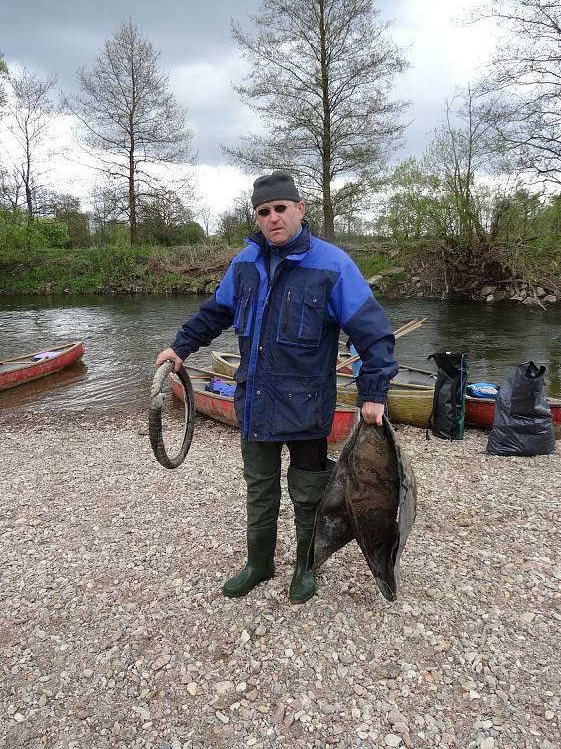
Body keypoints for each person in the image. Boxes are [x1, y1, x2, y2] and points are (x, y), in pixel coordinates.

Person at [155, 171, 398, 603]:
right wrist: (179, 348)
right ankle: (259, 564)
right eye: (264, 211)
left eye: (281, 208)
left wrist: (374, 393)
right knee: (259, 489)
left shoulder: (333, 265)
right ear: (257, 216)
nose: (273, 218)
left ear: (300, 210)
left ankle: (305, 568)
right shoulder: (244, 265)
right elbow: (214, 314)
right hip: (256, 403)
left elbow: (373, 332)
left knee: (308, 494)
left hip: (307, 407)